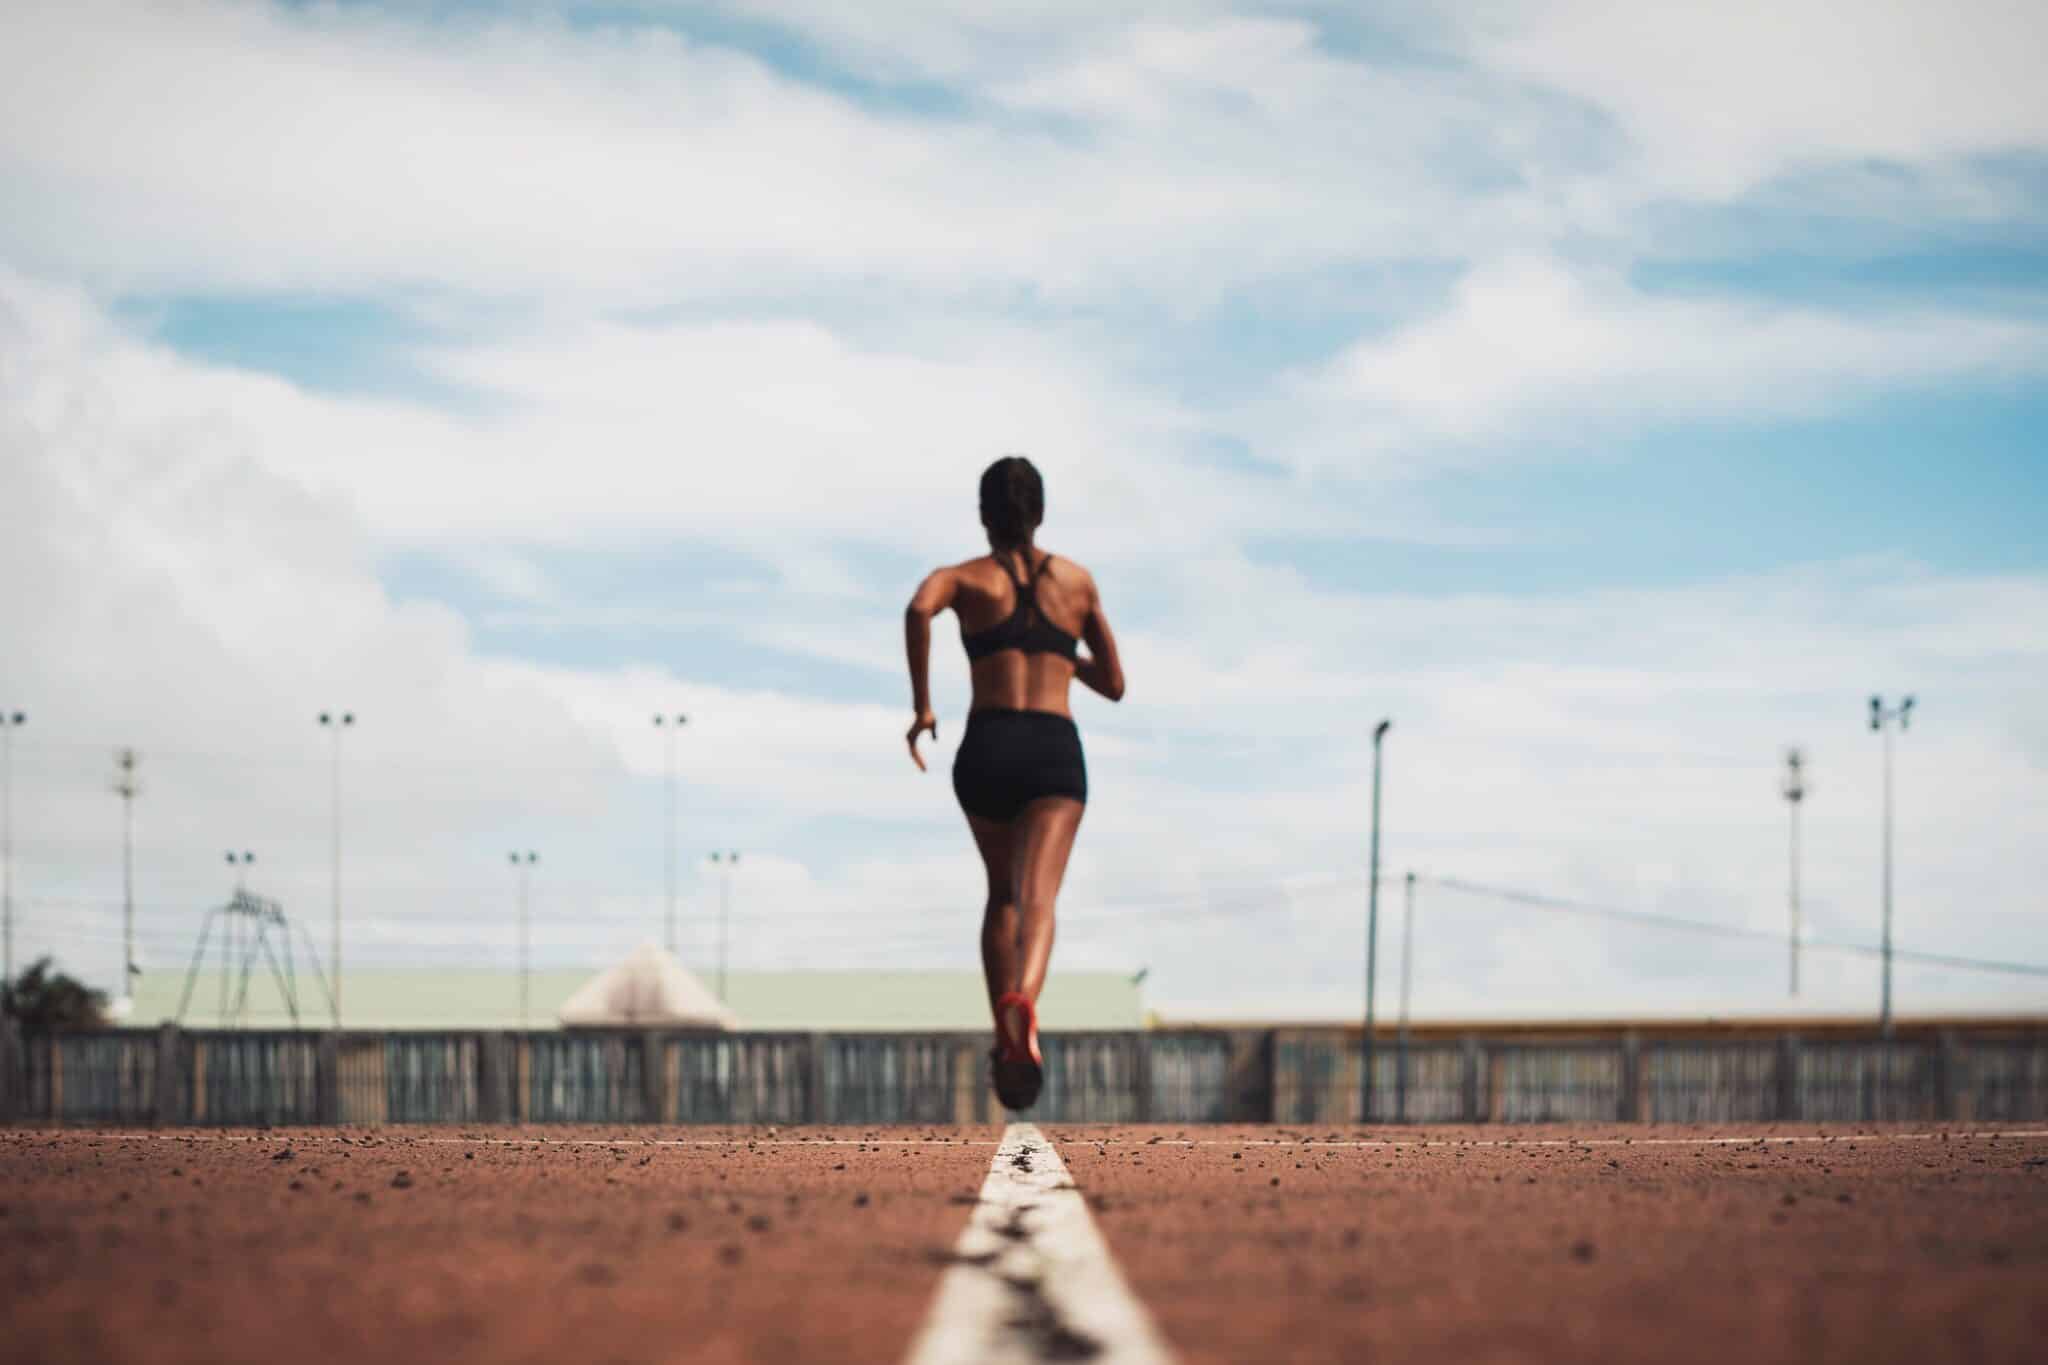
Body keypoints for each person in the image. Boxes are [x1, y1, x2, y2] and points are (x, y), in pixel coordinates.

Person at [903, 456, 1126, 1110]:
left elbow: (919, 609)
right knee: (1040, 898)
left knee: (1001, 893)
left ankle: (1004, 1030)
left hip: (987, 744)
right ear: (1042, 513)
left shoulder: (965, 579)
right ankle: (1024, 999)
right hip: (1052, 749)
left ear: (983, 515)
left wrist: (921, 705)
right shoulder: (1077, 583)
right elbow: (1114, 683)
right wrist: (1060, 650)